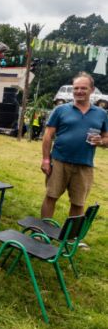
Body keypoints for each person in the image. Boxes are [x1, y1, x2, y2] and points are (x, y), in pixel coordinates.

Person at [40, 72, 108, 219]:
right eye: (76, 88)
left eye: (83, 88)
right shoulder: (60, 110)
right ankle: (41, 232)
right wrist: (46, 159)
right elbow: (47, 136)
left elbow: (106, 138)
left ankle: (72, 239)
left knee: (78, 203)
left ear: (92, 89)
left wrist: (101, 141)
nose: (79, 91)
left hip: (85, 165)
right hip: (59, 161)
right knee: (51, 196)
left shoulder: (101, 114)